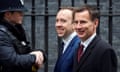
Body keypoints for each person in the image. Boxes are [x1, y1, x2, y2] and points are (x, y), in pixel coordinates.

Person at [0, 0, 46, 72]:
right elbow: (12, 61)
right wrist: (34, 57)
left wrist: (41, 53)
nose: (22, 14)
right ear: (8, 14)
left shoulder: (16, 30)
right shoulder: (2, 34)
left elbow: (25, 51)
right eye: (19, 11)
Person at [72, 4, 117, 72]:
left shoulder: (105, 51)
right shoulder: (78, 48)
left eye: (83, 22)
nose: (78, 27)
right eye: (76, 22)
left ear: (95, 23)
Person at [54, 7, 80, 72]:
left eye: (63, 21)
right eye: (57, 21)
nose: (58, 25)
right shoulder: (65, 43)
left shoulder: (78, 46)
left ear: (74, 24)